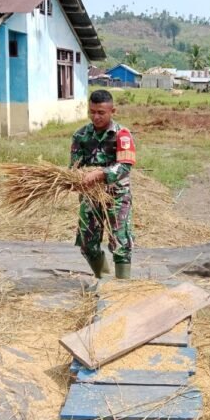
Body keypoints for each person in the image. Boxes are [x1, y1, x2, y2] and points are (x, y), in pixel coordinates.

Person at [70, 90, 136, 280]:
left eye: (101, 112)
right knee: (87, 242)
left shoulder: (122, 135)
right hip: (91, 196)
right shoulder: (80, 135)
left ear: (112, 111)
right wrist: (73, 180)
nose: (96, 117)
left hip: (117, 195)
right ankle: (104, 280)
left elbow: (125, 166)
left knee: (120, 241)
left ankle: (122, 287)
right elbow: (74, 166)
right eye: (92, 112)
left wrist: (100, 174)